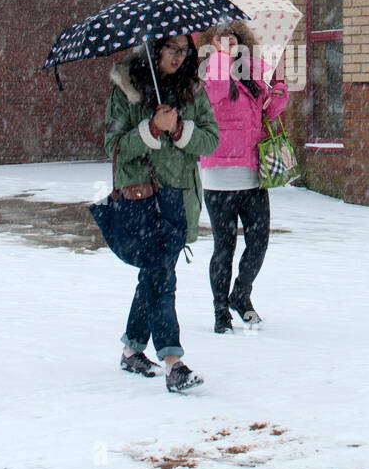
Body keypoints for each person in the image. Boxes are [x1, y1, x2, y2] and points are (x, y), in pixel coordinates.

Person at [105, 33, 219, 393]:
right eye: (172, 49)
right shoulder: (128, 89)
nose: (179, 57)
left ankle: (131, 350)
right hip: (144, 198)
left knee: (155, 274)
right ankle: (174, 362)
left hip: (180, 197)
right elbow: (115, 146)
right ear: (155, 49)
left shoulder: (193, 90)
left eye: (185, 51)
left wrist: (181, 129)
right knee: (161, 277)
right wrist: (151, 129)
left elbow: (212, 139)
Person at [199, 22, 289, 333]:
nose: (230, 42)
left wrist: (278, 91)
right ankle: (220, 309)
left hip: (252, 175)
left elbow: (265, 112)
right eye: (222, 38)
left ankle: (241, 294)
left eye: (234, 37)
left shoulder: (249, 72)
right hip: (219, 176)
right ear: (212, 42)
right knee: (224, 248)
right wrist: (222, 55)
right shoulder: (209, 71)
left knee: (259, 243)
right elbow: (217, 91)